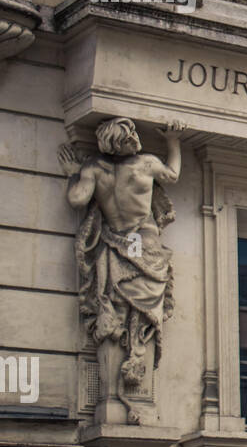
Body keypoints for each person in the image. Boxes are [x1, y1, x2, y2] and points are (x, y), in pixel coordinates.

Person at [58, 117, 185, 424]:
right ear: (125, 141)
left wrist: (73, 174)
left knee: (113, 316)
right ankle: (134, 378)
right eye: (131, 136)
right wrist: (173, 141)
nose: (136, 139)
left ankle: (118, 393)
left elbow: (77, 200)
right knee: (141, 317)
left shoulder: (94, 170)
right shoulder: (146, 164)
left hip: (114, 245)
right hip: (146, 246)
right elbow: (173, 174)